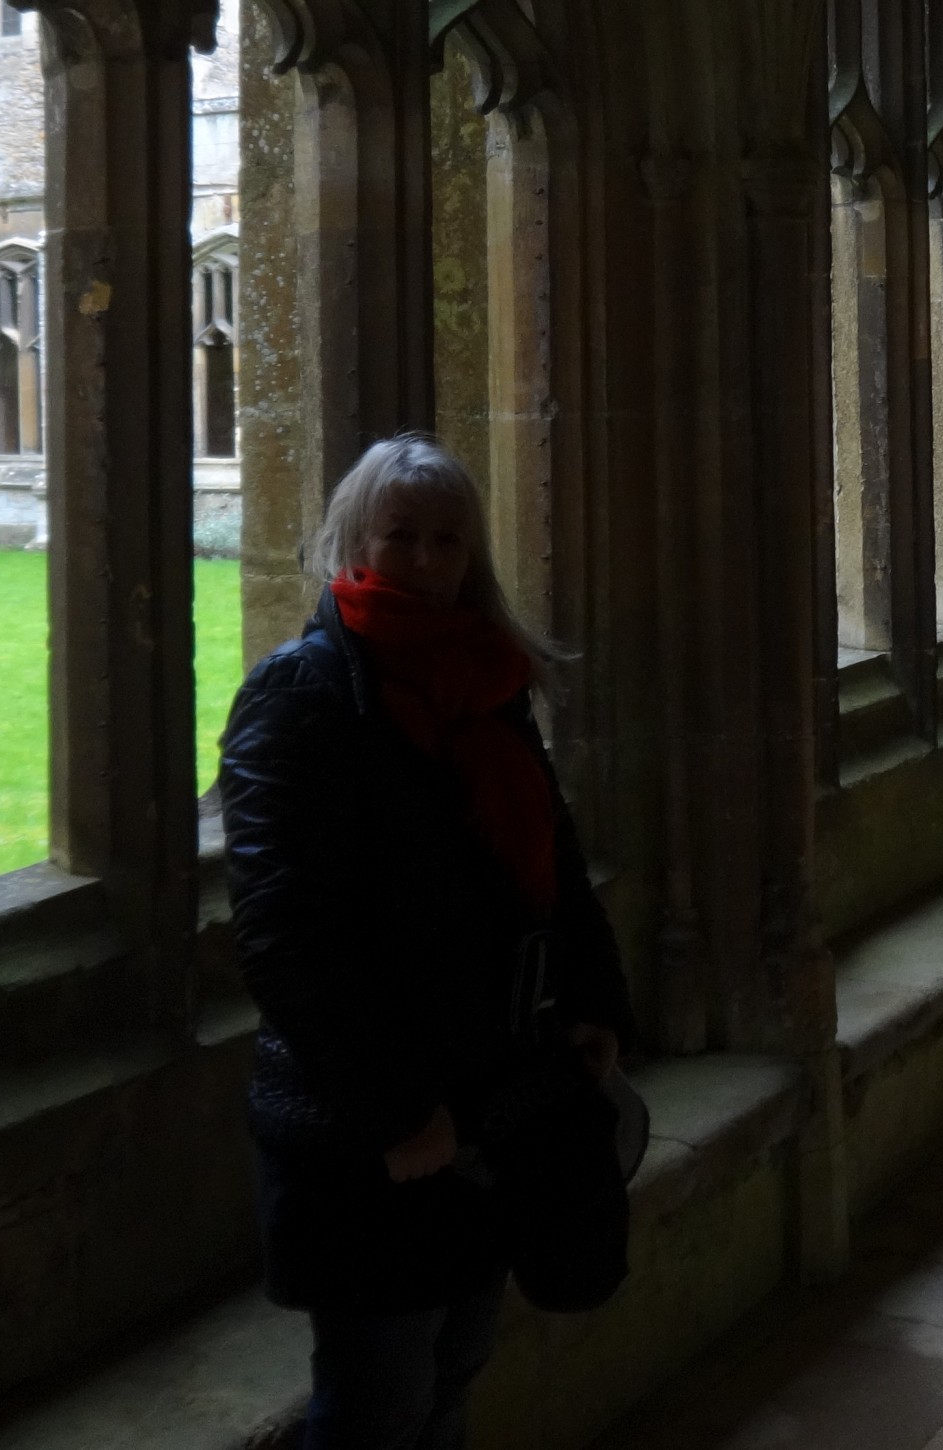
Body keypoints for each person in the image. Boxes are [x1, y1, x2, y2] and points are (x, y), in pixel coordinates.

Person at [219, 434, 634, 1450]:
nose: (422, 559)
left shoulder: (488, 682)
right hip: (370, 1131)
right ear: (354, 542)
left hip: (497, 1096)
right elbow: (283, 934)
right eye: (398, 535)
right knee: (376, 1402)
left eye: (445, 539)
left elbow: (553, 865)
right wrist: (399, 1113)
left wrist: (591, 1005)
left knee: (451, 1374)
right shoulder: (299, 694)